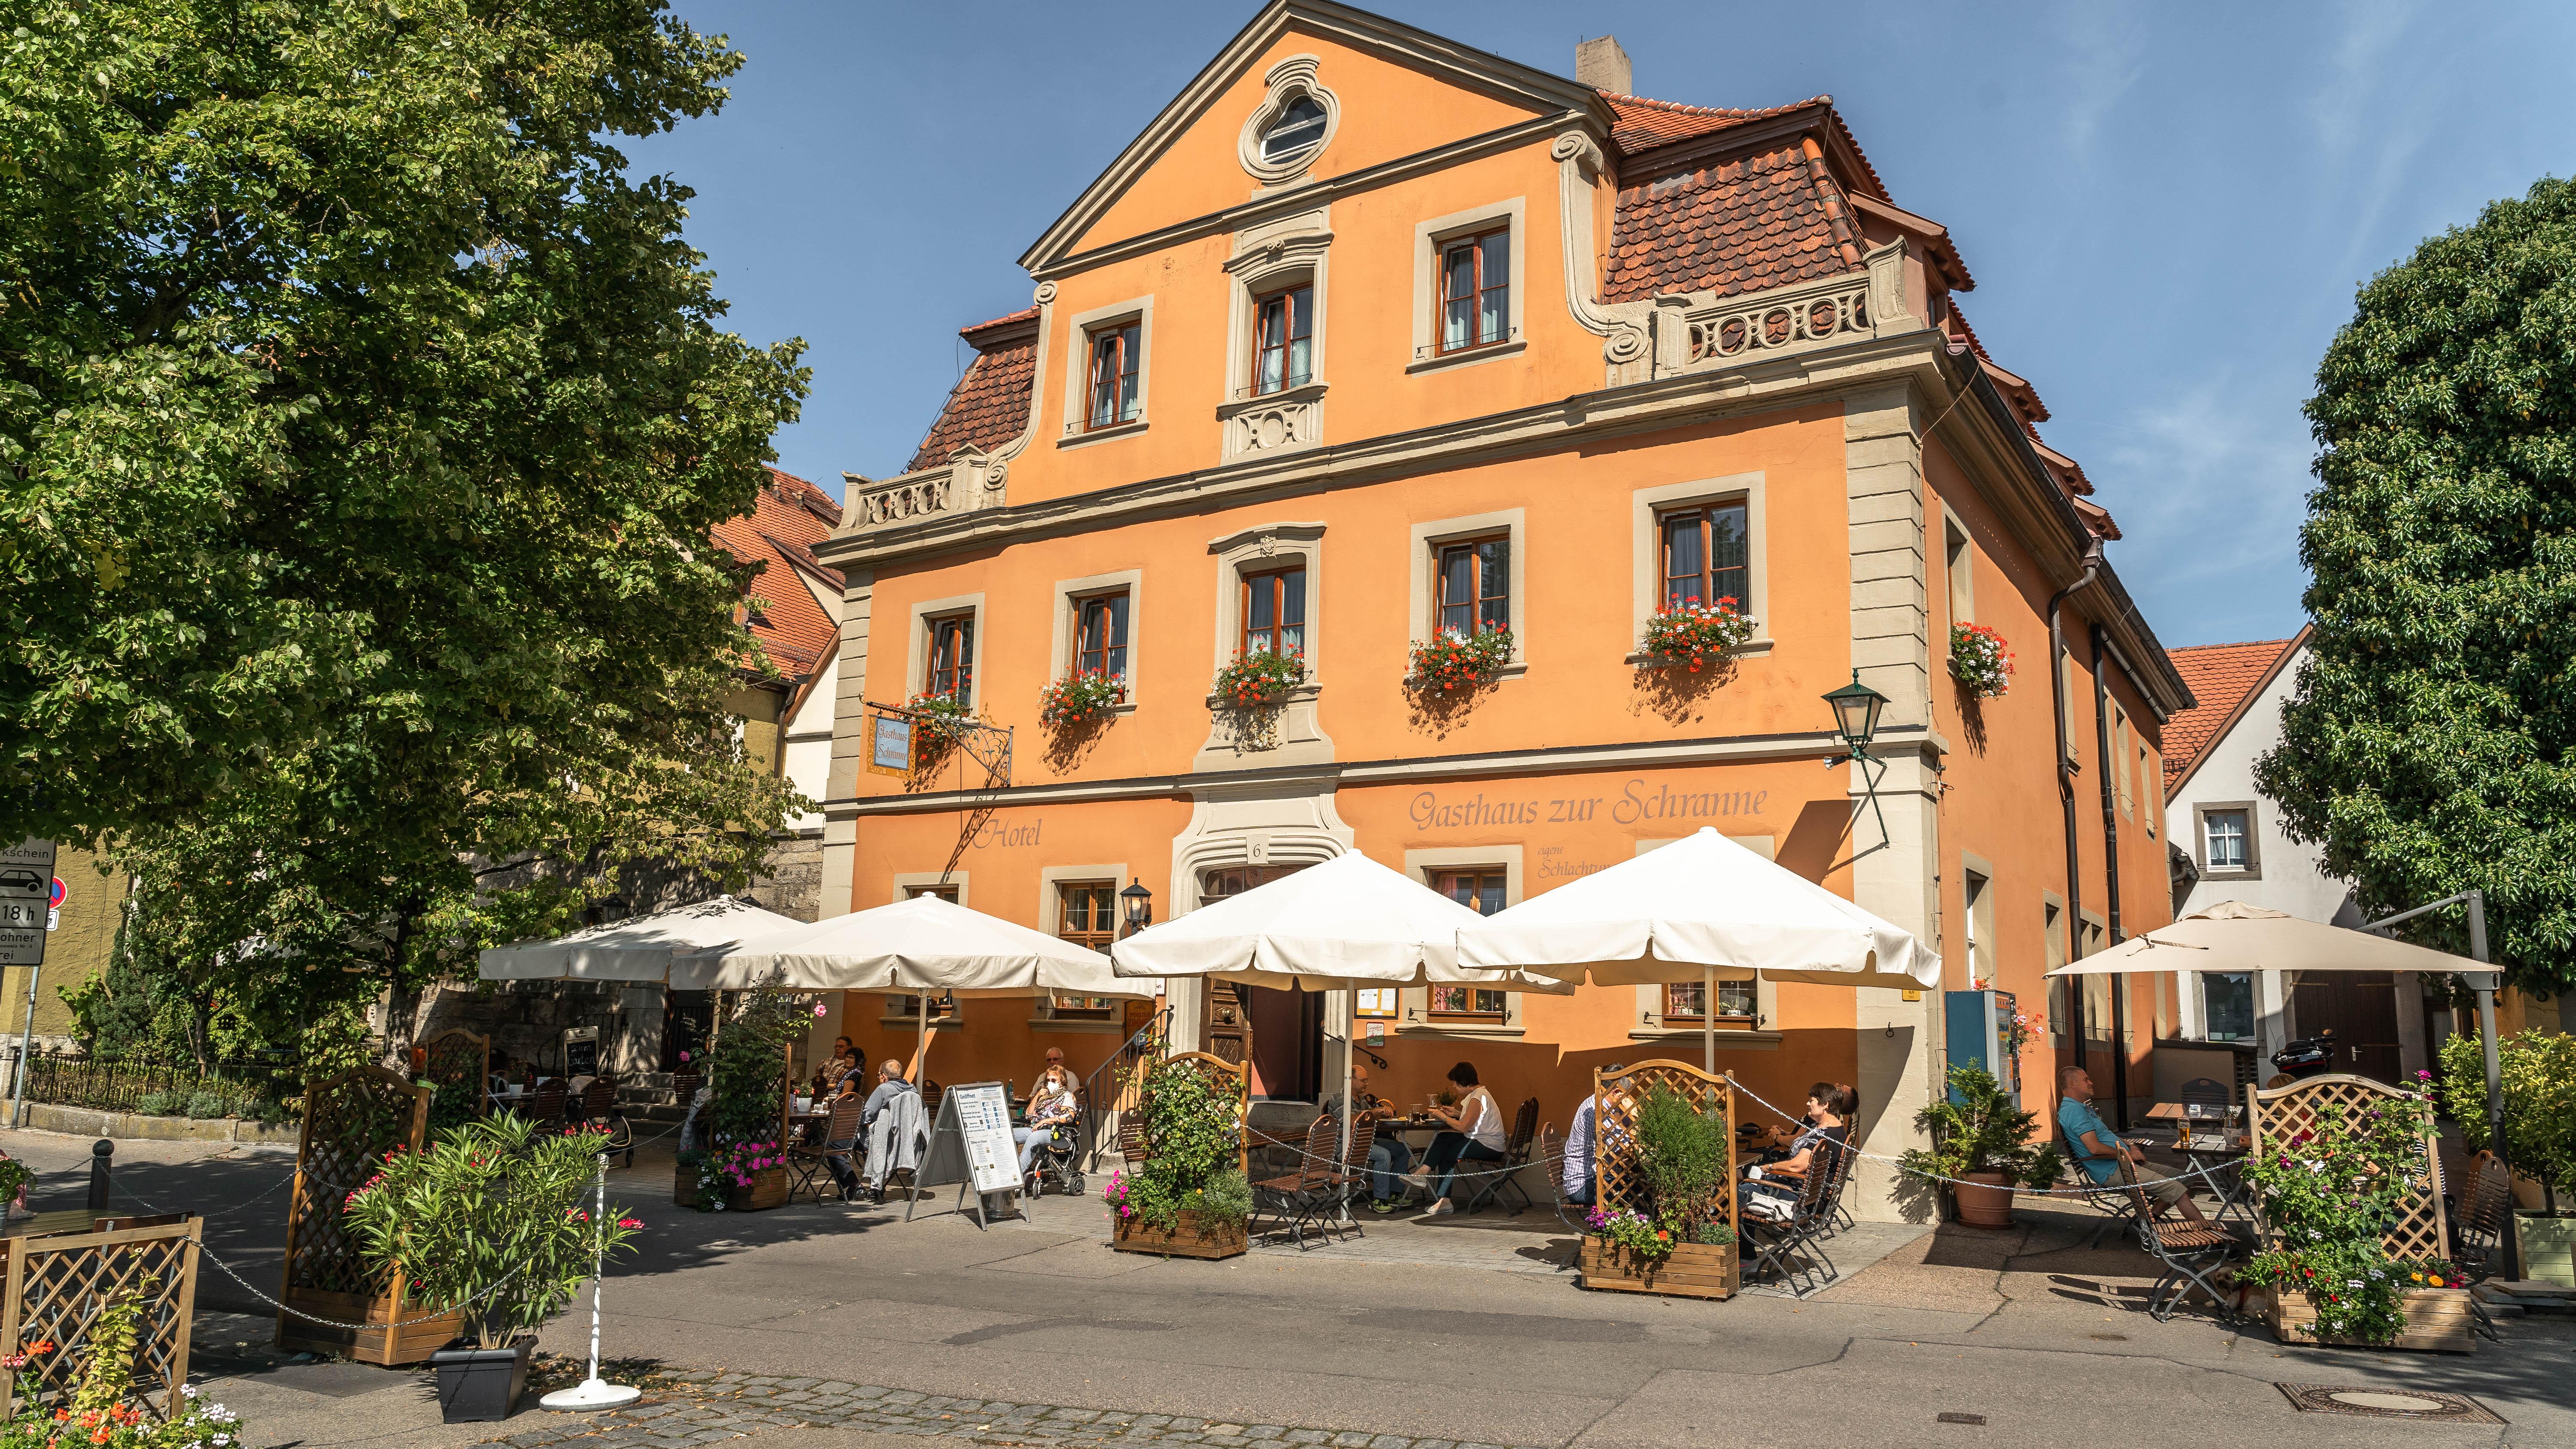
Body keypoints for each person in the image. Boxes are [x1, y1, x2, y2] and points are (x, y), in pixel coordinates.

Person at [2058, 1065, 2208, 1224]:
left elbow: (2108, 1136)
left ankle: (2151, 1219)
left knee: (2185, 1178)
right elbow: (2094, 1148)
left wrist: (2132, 1146)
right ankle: (2211, 1236)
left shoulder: (2083, 1108)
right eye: (2086, 1079)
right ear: (2072, 1084)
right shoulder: (2073, 1111)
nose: (2091, 1082)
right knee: (2175, 1189)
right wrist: (2129, 1154)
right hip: (2112, 1170)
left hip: (2124, 1163)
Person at [1404, 1061, 1505, 1216]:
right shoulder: (1480, 1094)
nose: (1454, 1087)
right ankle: (1423, 1173)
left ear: (1464, 1082)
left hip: (1490, 1147)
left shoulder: (1477, 1097)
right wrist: (1456, 1113)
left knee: (1449, 1154)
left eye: (1456, 1083)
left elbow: (1463, 1127)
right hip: (1485, 1141)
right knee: (1444, 1138)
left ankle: (1444, 1200)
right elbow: (1475, 1119)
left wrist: (1443, 1117)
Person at [1743, 1082, 1854, 1215]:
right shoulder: (1833, 1130)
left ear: (1825, 1105)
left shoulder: (1823, 1136)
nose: (1808, 1104)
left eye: (1812, 1100)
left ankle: (1732, 1234)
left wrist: (1767, 1168)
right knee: (1747, 1186)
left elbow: (1796, 1167)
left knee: (1742, 1191)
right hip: (1809, 1193)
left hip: (1803, 1198)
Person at [1317, 1062, 1411, 1213]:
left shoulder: (1360, 1100)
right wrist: (1375, 1112)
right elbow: (1352, 1121)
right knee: (1383, 1155)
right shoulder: (1340, 1098)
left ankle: (1395, 1194)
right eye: (1363, 1081)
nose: (1367, 1084)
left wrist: (1382, 1112)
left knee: (1402, 1149)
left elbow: (1370, 1117)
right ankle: (1379, 1200)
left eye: (1367, 1080)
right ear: (1351, 1080)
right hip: (1347, 1146)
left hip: (1366, 1141)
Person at [1015, 1063, 1081, 1195]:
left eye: (1054, 1080)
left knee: (1035, 1137)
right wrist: (1038, 1095)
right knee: (1009, 1134)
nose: (1050, 1083)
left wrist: (1047, 1120)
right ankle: (1003, 1173)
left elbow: (1068, 1117)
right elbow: (1028, 1114)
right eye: (1049, 1080)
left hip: (1059, 1134)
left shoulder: (1067, 1096)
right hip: (1038, 1129)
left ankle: (1015, 1179)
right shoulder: (1044, 1098)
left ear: (1062, 1082)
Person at [860, 1059, 918, 1203]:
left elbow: (867, 1114)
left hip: (883, 1141)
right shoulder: (913, 1090)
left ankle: (861, 1186)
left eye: (879, 1076)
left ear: (884, 1076)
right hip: (905, 1142)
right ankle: (879, 1182)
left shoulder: (883, 1089)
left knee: (846, 1143)